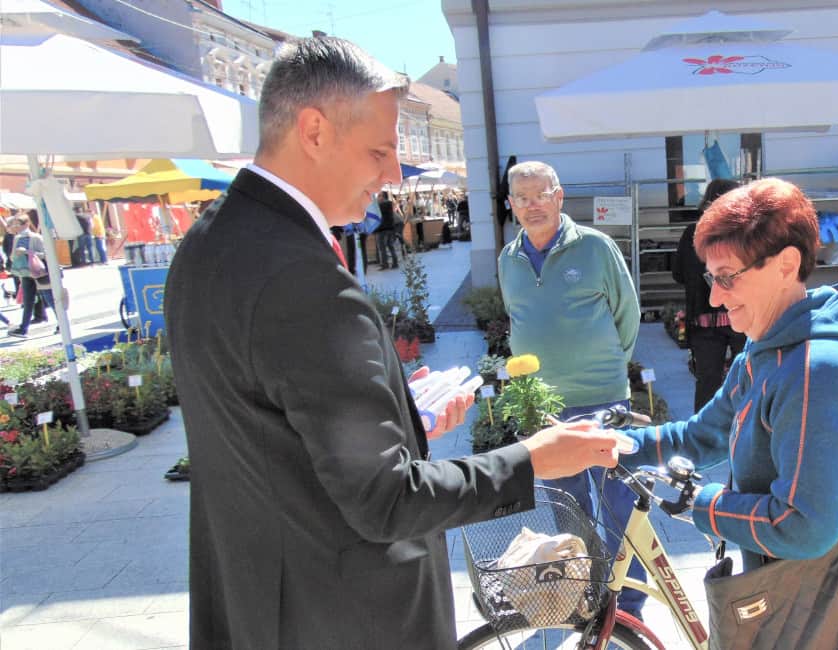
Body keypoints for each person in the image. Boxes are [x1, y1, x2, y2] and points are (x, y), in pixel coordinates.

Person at [164, 37, 622, 650]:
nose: (393, 174)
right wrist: (534, 458)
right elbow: (386, 502)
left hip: (260, 600)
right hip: (344, 616)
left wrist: (395, 408)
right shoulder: (303, 280)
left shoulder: (209, 244)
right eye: (380, 149)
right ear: (314, 130)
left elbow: (274, 423)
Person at [618, 178, 838, 648]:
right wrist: (616, 445)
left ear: (787, 264)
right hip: (804, 594)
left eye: (727, 277)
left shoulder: (814, 373)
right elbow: (703, 436)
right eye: (710, 277)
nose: (715, 298)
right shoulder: (765, 351)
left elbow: (802, 526)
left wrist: (701, 503)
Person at [497, 160, 648, 617]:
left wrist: (605, 366)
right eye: (522, 198)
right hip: (545, 407)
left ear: (559, 197)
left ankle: (630, 604)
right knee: (569, 508)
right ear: (511, 205)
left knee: (619, 503)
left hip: (602, 398)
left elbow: (628, 314)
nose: (532, 205)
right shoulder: (509, 259)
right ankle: (586, 594)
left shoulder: (596, 247)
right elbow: (517, 317)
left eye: (541, 194)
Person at [673, 178, 746, 411]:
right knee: (747, 379)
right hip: (740, 317)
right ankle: (746, 433)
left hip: (703, 320)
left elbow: (678, 274)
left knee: (707, 382)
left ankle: (704, 440)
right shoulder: (744, 234)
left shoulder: (692, 233)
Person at [6, 214, 56, 337]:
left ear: (27, 224)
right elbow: (12, 256)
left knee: (49, 299)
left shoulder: (36, 237)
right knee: (28, 301)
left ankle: (62, 323)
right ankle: (23, 328)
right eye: (15, 224)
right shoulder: (17, 238)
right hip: (25, 273)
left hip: (38, 273)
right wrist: (14, 257)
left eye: (19, 224)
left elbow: (44, 254)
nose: (17, 226)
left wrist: (27, 252)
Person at [374, 194, 399, 269]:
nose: (377, 198)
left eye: (379, 196)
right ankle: (395, 262)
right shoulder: (389, 205)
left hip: (382, 229)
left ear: (382, 197)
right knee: (390, 245)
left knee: (382, 247)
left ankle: (385, 264)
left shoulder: (381, 205)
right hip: (390, 228)